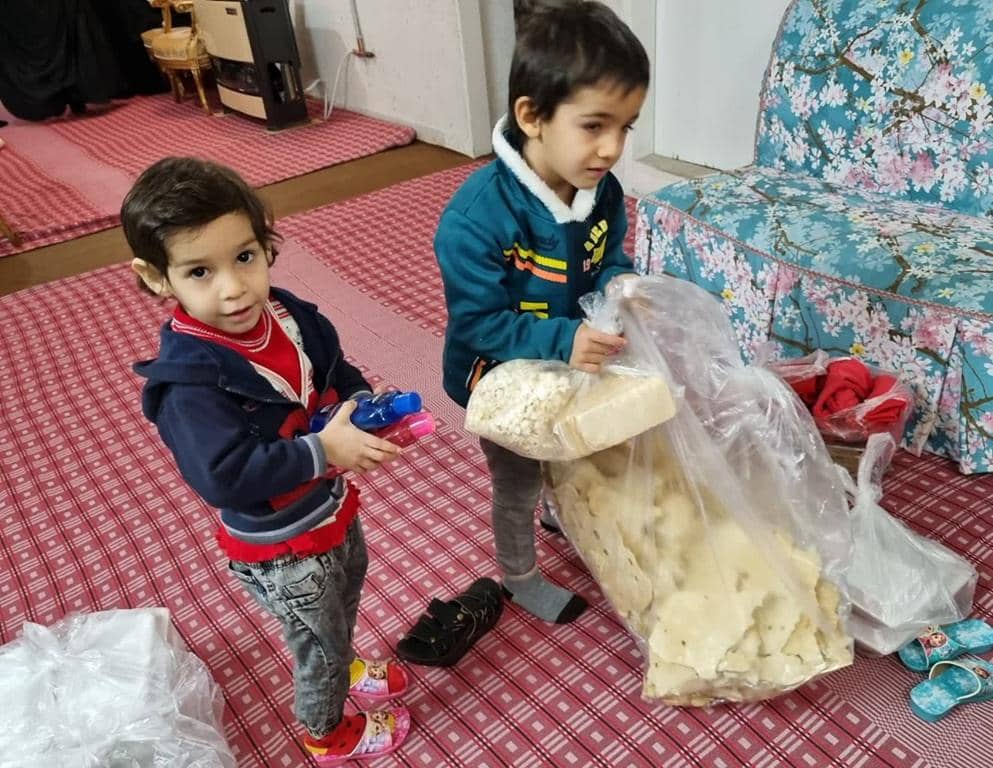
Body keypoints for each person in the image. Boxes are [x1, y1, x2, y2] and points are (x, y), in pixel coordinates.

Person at [127, 157, 410, 764]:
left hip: (329, 507)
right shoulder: (189, 385)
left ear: (266, 247)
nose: (233, 288)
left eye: (245, 257)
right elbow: (221, 475)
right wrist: (323, 450)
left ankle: (344, 654)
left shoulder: (289, 316)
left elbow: (335, 369)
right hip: (282, 548)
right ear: (157, 279)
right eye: (200, 271)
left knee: (346, 595)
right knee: (317, 643)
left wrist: (360, 403)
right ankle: (325, 732)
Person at [434, 0, 650, 624]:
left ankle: (564, 516)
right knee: (520, 477)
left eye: (627, 127)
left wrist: (621, 284)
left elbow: (606, 256)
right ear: (532, 116)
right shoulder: (475, 221)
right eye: (594, 125)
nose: (612, 149)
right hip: (497, 374)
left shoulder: (599, 190)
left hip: (569, 348)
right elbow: (477, 324)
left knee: (576, 446)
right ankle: (520, 575)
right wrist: (562, 340)